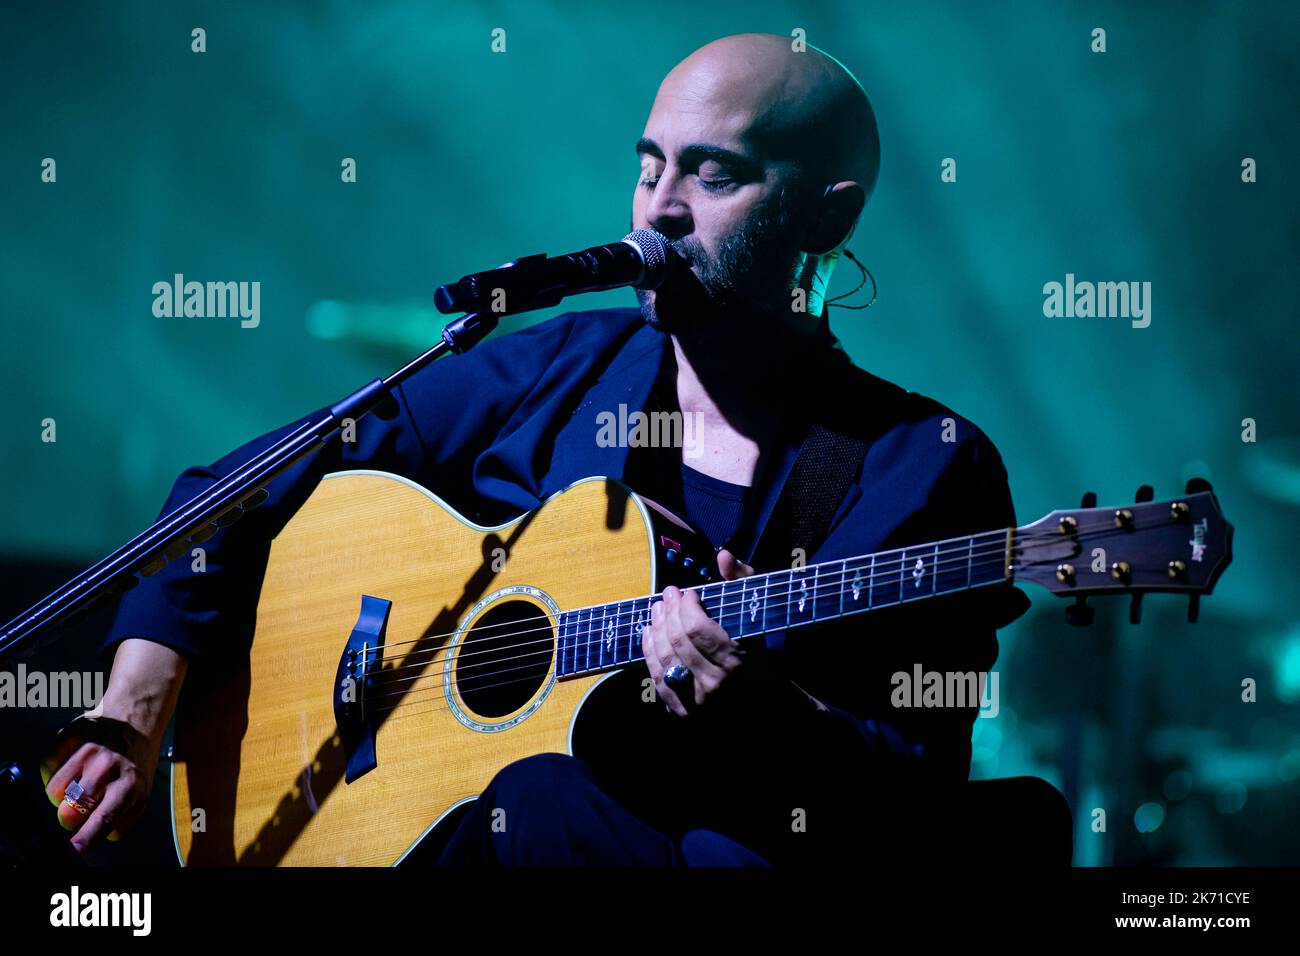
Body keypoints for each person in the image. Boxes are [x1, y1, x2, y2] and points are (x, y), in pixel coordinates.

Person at [43, 33, 1029, 865]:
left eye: (713, 173)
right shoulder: (553, 369)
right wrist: (134, 702)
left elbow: (912, 801)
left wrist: (759, 714)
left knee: (546, 796)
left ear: (829, 211)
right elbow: (243, 485)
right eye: (648, 166)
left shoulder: (924, 464)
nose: (659, 208)